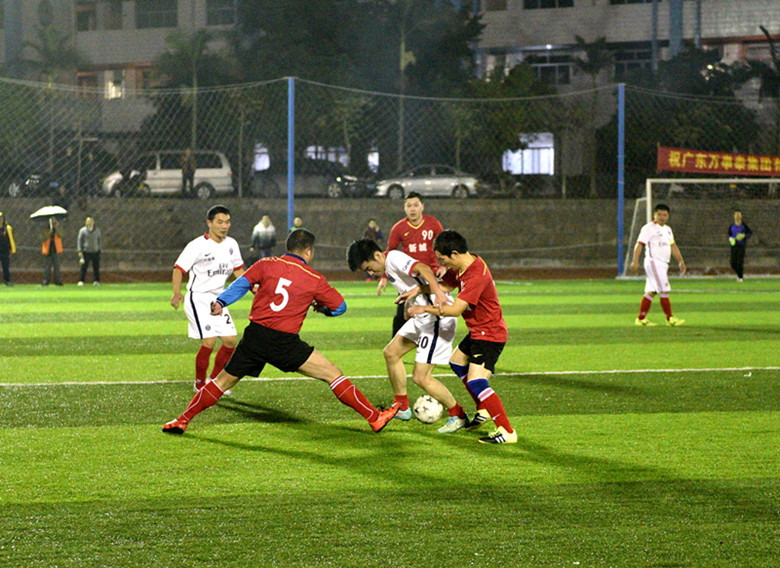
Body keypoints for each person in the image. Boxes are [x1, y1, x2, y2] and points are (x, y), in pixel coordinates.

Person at [163, 229, 400, 435]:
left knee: (221, 382)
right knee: (333, 374)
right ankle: (374, 417)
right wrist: (323, 310)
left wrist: (221, 302)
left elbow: (242, 284)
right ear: (308, 251)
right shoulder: (314, 278)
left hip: (255, 337)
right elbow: (340, 307)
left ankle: (182, 420)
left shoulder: (266, 264)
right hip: (285, 343)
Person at [347, 238, 468, 433]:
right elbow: (412, 285)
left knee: (421, 377)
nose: (370, 273)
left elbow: (423, 268)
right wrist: (408, 306)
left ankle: (458, 414)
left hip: (436, 319)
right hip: (422, 317)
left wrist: (438, 293)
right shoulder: (389, 268)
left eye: (369, 268)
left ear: (378, 255)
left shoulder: (393, 258)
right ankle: (402, 407)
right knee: (391, 353)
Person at [407, 230, 516, 444]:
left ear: (455, 254)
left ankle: (507, 431)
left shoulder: (475, 274)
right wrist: (419, 289)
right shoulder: (462, 267)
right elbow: (445, 286)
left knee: (476, 381)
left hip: (489, 333)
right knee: (457, 362)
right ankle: (483, 407)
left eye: (443, 259)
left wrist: (424, 308)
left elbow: (455, 309)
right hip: (478, 330)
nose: (442, 264)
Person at [171, 205, 244, 395]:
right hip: (198, 297)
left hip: (219, 299)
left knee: (230, 341)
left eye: (227, 222)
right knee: (209, 342)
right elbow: (179, 268)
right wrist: (176, 292)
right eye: (220, 222)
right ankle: (199, 384)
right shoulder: (197, 246)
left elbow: (238, 270)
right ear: (209, 223)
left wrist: (253, 287)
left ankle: (214, 379)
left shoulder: (231, 244)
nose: (224, 226)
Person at [380, 192, 444, 336]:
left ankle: (433, 340)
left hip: (430, 276)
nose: (412, 209)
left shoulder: (433, 224)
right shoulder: (398, 228)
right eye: (409, 206)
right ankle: (396, 342)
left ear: (422, 206)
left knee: (435, 311)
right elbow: (389, 252)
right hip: (408, 278)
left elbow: (444, 244)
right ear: (405, 208)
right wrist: (384, 277)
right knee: (402, 314)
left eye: (416, 205)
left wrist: (444, 266)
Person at [630, 203, 686, 327]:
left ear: (668, 216)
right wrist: (635, 261)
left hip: (663, 264)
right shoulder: (648, 228)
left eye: (664, 215)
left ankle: (641, 319)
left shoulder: (668, 229)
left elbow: (673, 246)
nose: (662, 217)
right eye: (659, 214)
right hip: (654, 262)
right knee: (664, 290)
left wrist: (680, 260)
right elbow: (639, 244)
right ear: (654, 215)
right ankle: (670, 318)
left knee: (652, 291)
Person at [727, 210, 752, 282]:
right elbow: (729, 234)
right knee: (733, 262)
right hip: (734, 246)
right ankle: (739, 273)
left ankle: (740, 277)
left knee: (740, 262)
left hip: (741, 245)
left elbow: (749, 233)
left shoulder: (743, 225)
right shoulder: (732, 226)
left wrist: (744, 236)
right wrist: (731, 239)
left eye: (739, 215)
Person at [77, 216, 102, 286]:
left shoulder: (97, 230)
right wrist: (80, 250)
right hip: (86, 251)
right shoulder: (83, 230)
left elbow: (99, 240)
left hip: (95, 251)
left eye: (91, 221)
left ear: (93, 222)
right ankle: (81, 280)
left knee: (96, 267)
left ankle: (96, 280)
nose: (90, 223)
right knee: (84, 267)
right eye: (88, 221)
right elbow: (79, 241)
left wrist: (99, 249)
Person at [41, 217, 64, 286]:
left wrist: (56, 228)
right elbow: (42, 238)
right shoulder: (45, 228)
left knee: (57, 266)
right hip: (48, 249)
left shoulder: (58, 228)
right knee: (47, 267)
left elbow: (61, 235)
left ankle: (57, 280)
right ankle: (45, 280)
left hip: (56, 249)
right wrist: (49, 233)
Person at [0, 212, 17, 286]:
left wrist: (12, 249)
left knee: (6, 267)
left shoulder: (7, 228)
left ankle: (7, 280)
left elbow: (10, 239)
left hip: (5, 251)